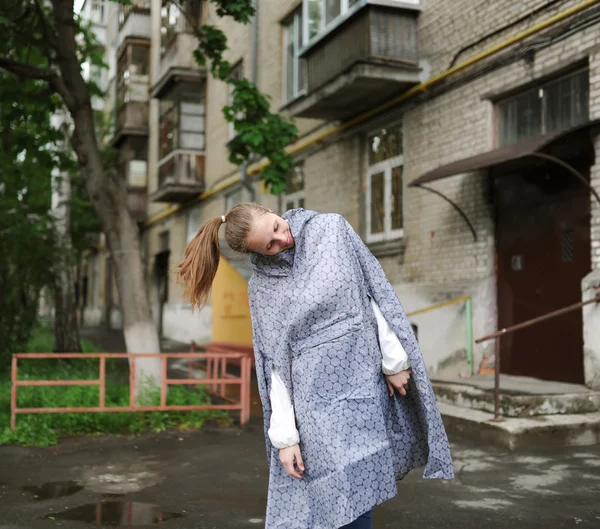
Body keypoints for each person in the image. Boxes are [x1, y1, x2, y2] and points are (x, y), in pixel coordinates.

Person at [174, 203, 453, 529]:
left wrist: (394, 361)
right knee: (334, 495)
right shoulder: (262, 287)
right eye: (269, 245)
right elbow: (273, 365)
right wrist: (286, 438)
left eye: (277, 227)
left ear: (270, 210)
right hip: (313, 408)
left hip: (362, 386)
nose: (282, 240)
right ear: (256, 253)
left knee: (361, 485)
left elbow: (373, 292)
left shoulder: (332, 230)